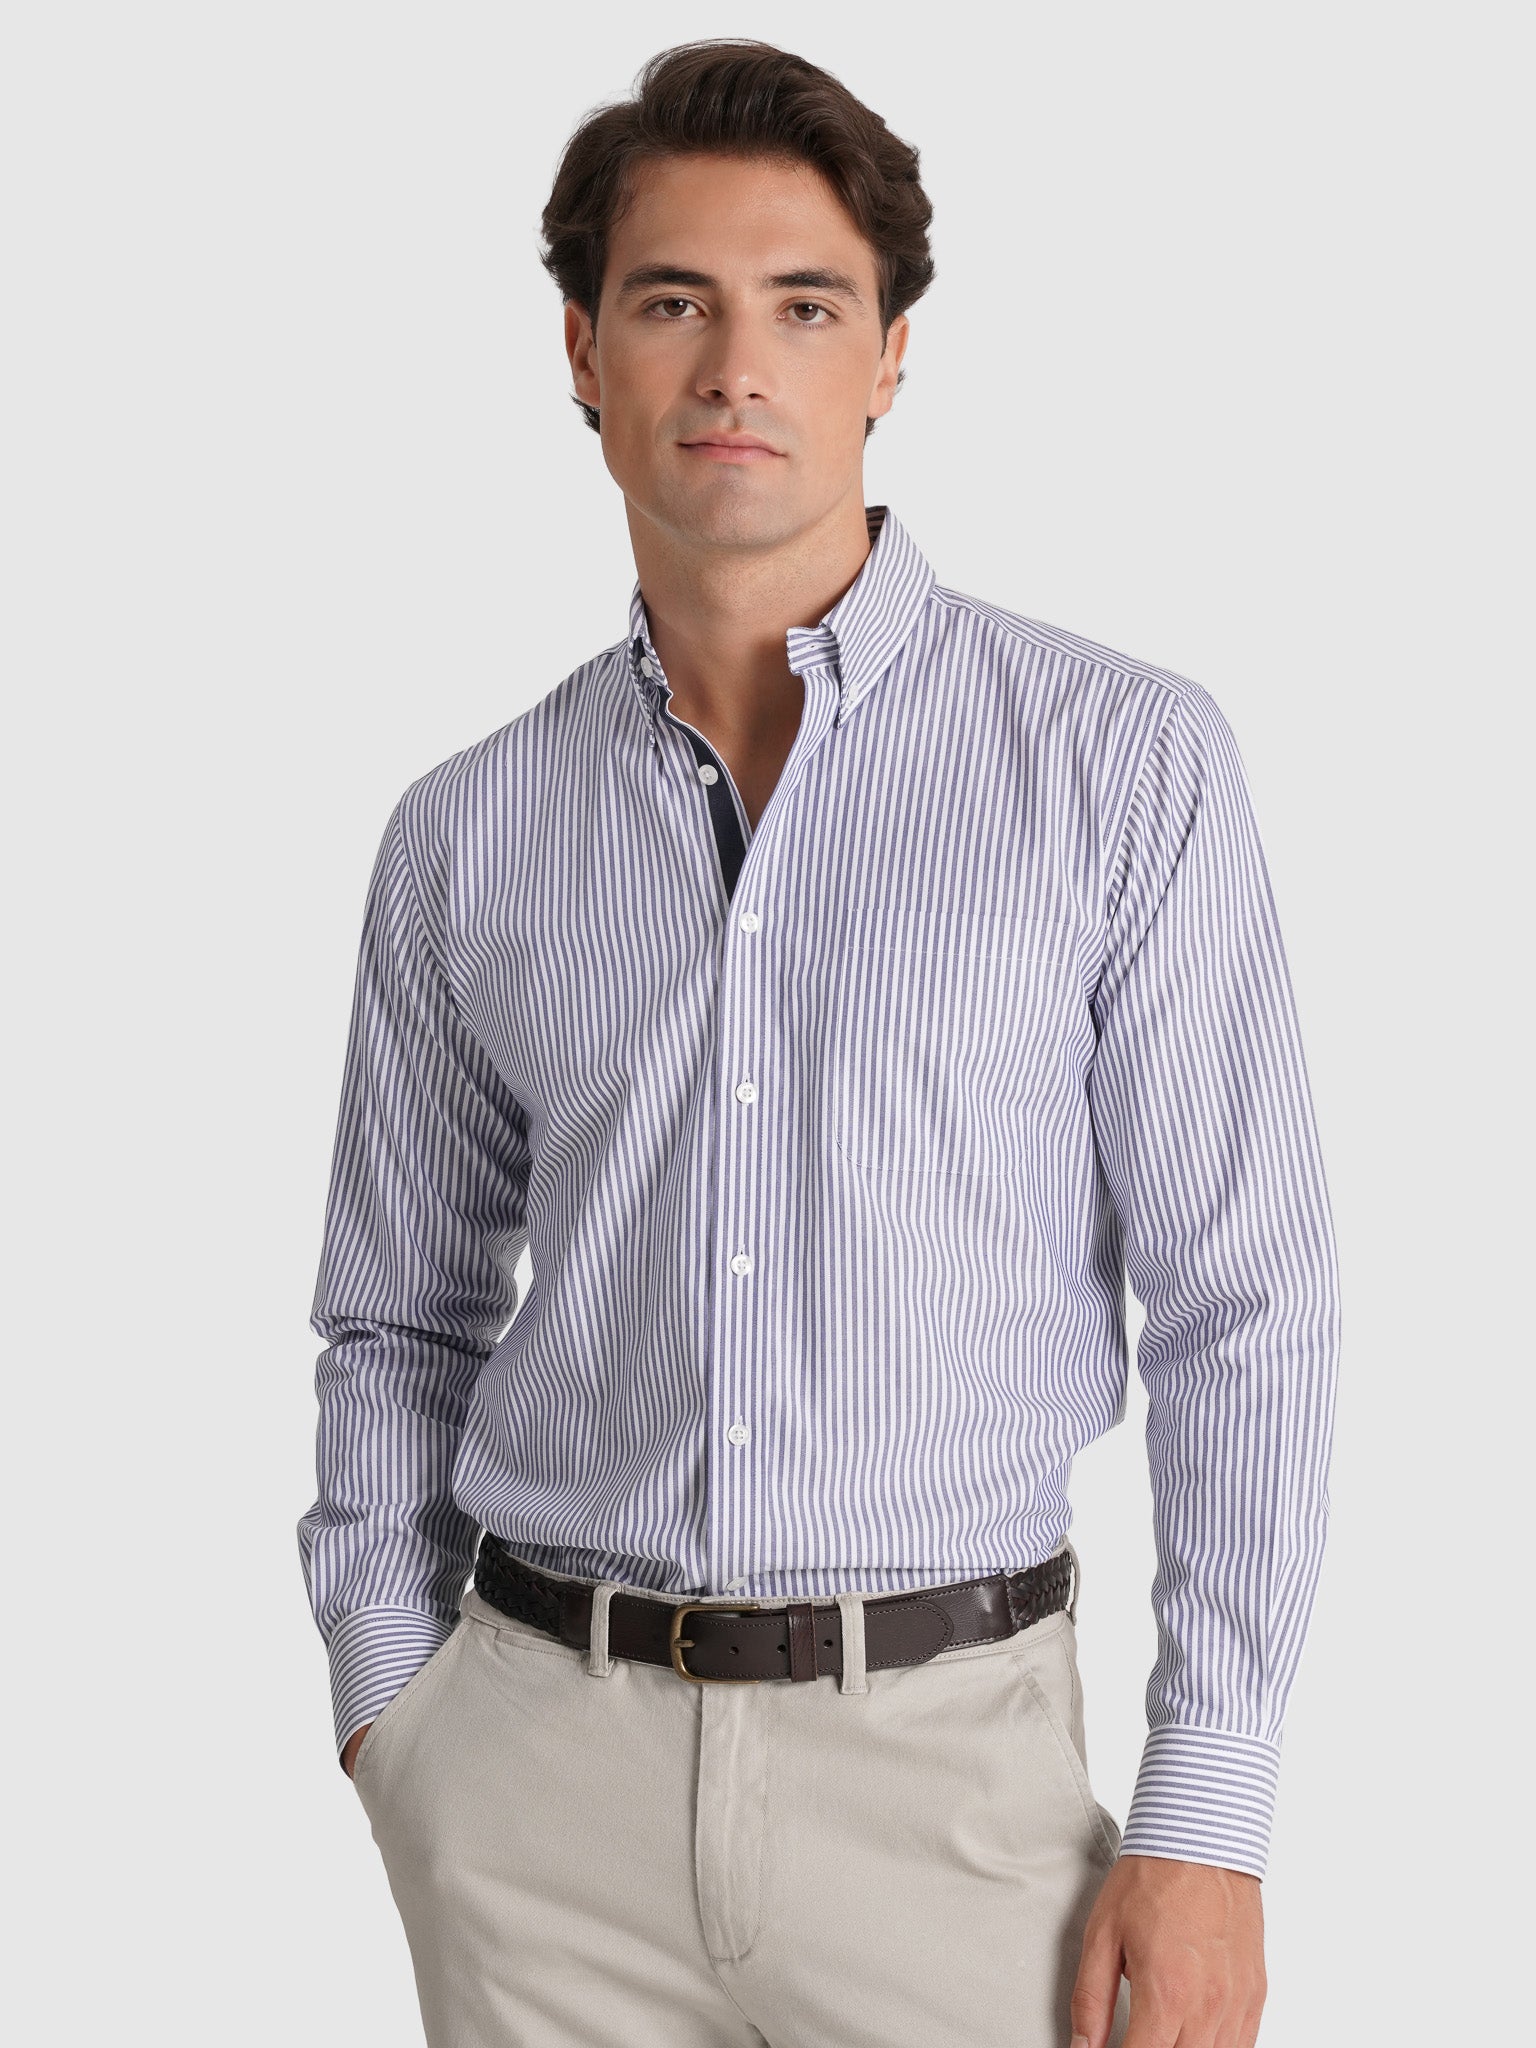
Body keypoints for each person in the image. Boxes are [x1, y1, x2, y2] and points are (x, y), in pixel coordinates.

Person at [297, 37, 1340, 2048]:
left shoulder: (1122, 766)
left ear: (890, 357)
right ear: (584, 352)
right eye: (671, 302)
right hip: (533, 1798)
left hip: (957, 1799)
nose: (733, 369)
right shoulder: (465, 833)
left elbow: (1247, 1303)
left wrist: (1210, 1816)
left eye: (802, 306)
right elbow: (396, 1319)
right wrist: (392, 1717)